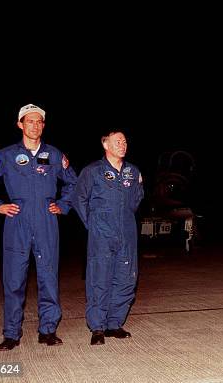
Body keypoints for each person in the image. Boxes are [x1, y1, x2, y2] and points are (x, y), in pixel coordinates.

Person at [0, 104, 77, 351]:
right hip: (17, 221)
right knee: (14, 279)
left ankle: (48, 330)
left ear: (44, 125)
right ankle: (11, 334)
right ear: (20, 124)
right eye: (29, 121)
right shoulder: (6, 155)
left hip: (46, 221)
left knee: (48, 276)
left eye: (39, 121)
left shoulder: (54, 155)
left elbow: (73, 182)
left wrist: (62, 205)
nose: (35, 126)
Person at [73, 130, 144, 345]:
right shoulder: (92, 171)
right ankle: (97, 327)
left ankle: (115, 324)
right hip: (102, 234)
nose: (122, 144)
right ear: (105, 144)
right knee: (99, 279)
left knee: (126, 278)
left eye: (124, 141)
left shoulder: (133, 172)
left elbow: (137, 199)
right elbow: (79, 200)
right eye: (117, 141)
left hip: (127, 232)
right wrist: (94, 225)